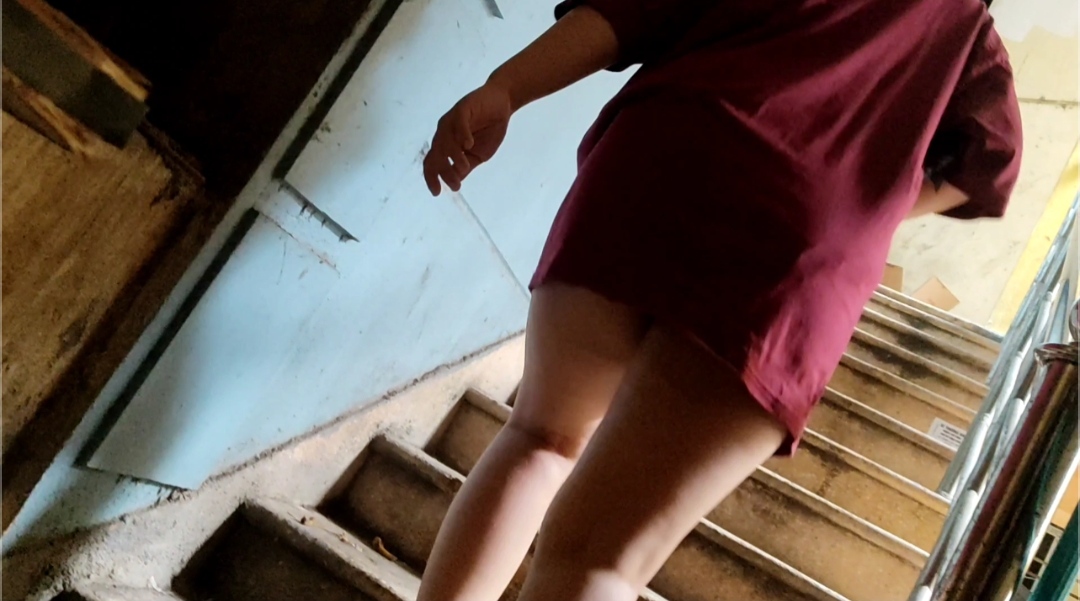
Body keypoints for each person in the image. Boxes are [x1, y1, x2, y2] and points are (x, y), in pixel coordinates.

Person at [418, 0, 1022, 598]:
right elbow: (994, 157)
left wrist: (506, 88)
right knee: (598, 561)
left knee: (539, 438)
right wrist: (868, 205)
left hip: (661, 160)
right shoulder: (965, 32)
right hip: (802, 249)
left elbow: (631, 11)